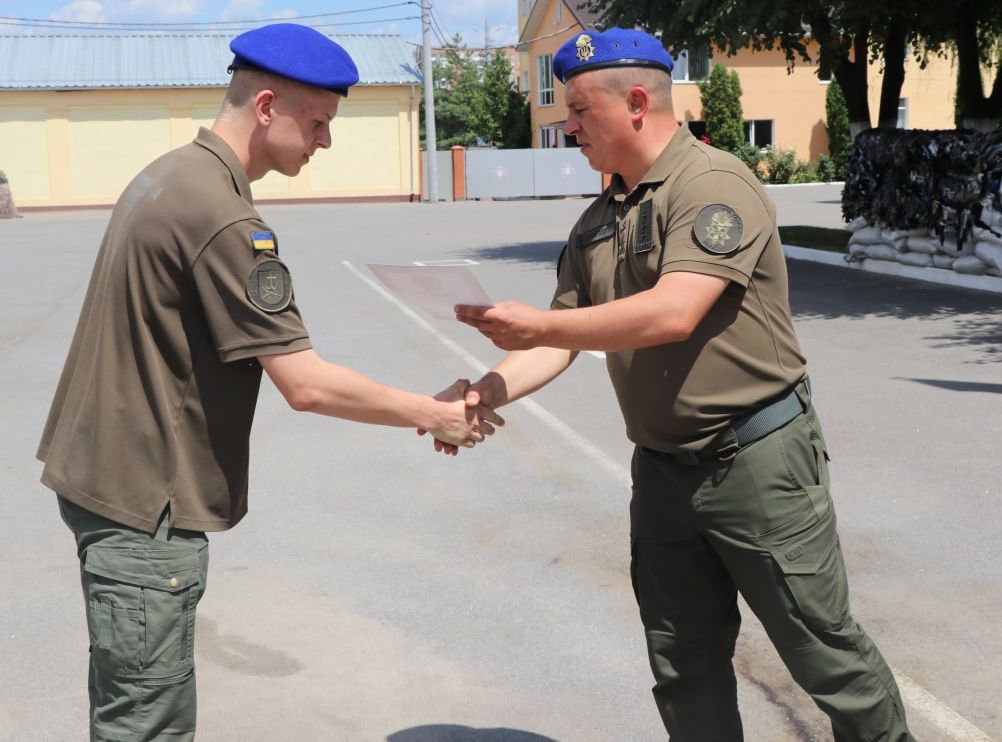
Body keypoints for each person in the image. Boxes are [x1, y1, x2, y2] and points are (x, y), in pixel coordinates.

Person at [440, 28, 913, 741]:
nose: (567, 127)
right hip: (662, 473)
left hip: (755, 462)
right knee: (682, 662)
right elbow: (565, 338)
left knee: (824, 654)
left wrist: (539, 327)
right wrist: (486, 391)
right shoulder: (598, 221)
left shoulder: (713, 184)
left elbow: (673, 311)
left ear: (636, 102)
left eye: (577, 110)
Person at [36, 23, 500, 741]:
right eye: (318, 123)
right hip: (145, 506)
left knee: (126, 703)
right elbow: (305, 383)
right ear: (265, 107)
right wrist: (432, 411)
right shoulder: (221, 215)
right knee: (146, 723)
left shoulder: (172, 171)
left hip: (106, 478)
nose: (325, 142)